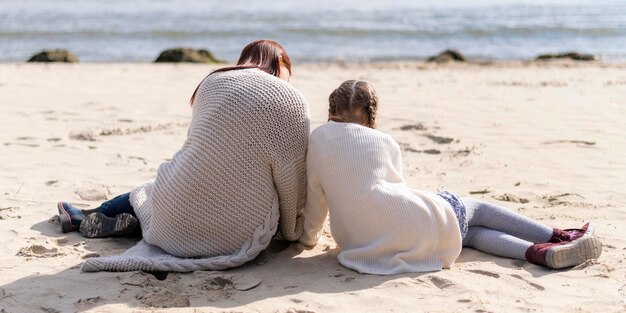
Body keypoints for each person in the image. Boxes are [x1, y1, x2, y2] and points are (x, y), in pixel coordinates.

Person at [299, 80, 602, 275]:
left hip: (361, 241)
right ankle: (559, 237)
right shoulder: (385, 142)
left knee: (466, 234)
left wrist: (309, 238)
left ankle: (538, 254)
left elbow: (316, 201)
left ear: (332, 109)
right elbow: (398, 189)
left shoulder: (319, 139)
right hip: (405, 223)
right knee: (476, 209)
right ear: (371, 112)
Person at [57, 40, 309, 265]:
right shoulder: (290, 99)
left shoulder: (213, 81)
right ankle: (124, 223)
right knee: (218, 200)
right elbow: (291, 178)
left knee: (147, 192)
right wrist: (291, 230)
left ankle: (87, 214)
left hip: (172, 214)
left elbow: (199, 148)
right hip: (231, 234)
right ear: (279, 62)